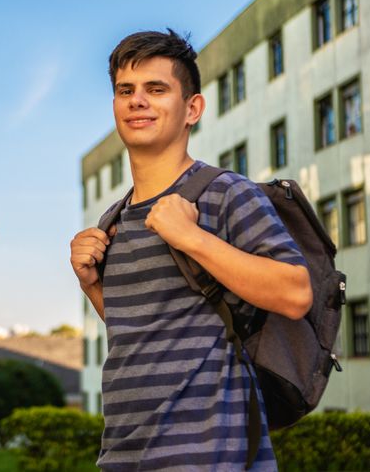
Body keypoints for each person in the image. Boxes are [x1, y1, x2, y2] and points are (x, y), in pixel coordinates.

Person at [70, 29, 313, 471]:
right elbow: (151, 333)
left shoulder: (225, 194)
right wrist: (91, 286)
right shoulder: (113, 220)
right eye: (126, 90)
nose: (137, 101)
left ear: (192, 109)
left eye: (156, 89)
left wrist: (191, 237)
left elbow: (295, 292)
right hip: (123, 452)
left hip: (209, 454)